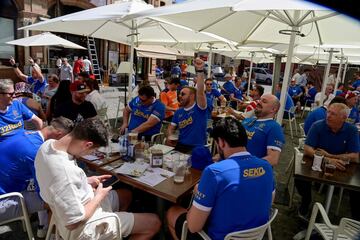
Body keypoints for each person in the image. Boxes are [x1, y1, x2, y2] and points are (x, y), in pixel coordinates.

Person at [35, 118, 161, 239]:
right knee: (154, 222)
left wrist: (85, 182)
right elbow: (73, 223)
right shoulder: (66, 174)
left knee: (126, 195)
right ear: (87, 144)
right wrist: (98, 196)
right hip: (84, 228)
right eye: (93, 150)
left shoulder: (47, 146)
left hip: (71, 207)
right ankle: (109, 230)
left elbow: (63, 183)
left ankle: (115, 232)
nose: (91, 153)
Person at [166, 118, 274, 240]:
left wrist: (198, 196)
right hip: (255, 235)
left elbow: (193, 226)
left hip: (217, 236)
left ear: (221, 143)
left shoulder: (214, 172)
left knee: (172, 212)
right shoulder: (267, 166)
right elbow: (268, 201)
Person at [0, 117, 74, 237]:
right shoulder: (36, 151)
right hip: (4, 199)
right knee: (55, 201)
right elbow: (43, 190)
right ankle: (48, 234)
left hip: (7, 185)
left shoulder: (22, 132)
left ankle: (42, 226)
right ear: (59, 135)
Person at [296, 103, 360, 220]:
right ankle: (306, 201)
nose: (328, 116)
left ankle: (355, 221)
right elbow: (307, 149)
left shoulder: (351, 130)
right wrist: (327, 159)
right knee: (300, 178)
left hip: (341, 167)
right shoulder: (318, 126)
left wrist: (331, 156)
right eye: (328, 112)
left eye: (333, 114)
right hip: (319, 163)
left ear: (344, 118)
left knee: (356, 188)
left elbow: (355, 156)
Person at [167, 58, 207, 152]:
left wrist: (200, 70)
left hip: (197, 148)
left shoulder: (199, 108)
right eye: (179, 93)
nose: (180, 96)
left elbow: (200, 91)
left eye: (183, 94)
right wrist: (169, 136)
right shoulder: (178, 112)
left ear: (192, 96)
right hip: (180, 145)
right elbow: (170, 127)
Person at [241, 94, 285, 166]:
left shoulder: (274, 127)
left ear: (273, 109)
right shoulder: (248, 120)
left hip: (251, 172)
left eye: (264, 101)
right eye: (259, 100)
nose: (258, 102)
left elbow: (273, 159)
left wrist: (246, 165)